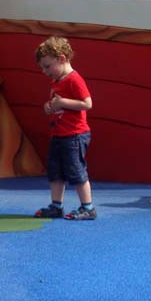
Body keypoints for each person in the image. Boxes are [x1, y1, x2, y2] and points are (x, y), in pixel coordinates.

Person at [32, 36, 96, 221]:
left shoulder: (74, 79)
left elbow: (87, 103)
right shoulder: (57, 81)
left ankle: (88, 207)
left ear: (61, 59)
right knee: (55, 171)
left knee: (75, 170)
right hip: (59, 133)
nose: (45, 71)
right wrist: (50, 106)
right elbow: (59, 105)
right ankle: (56, 205)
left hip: (74, 134)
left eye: (47, 66)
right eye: (42, 67)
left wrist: (63, 102)